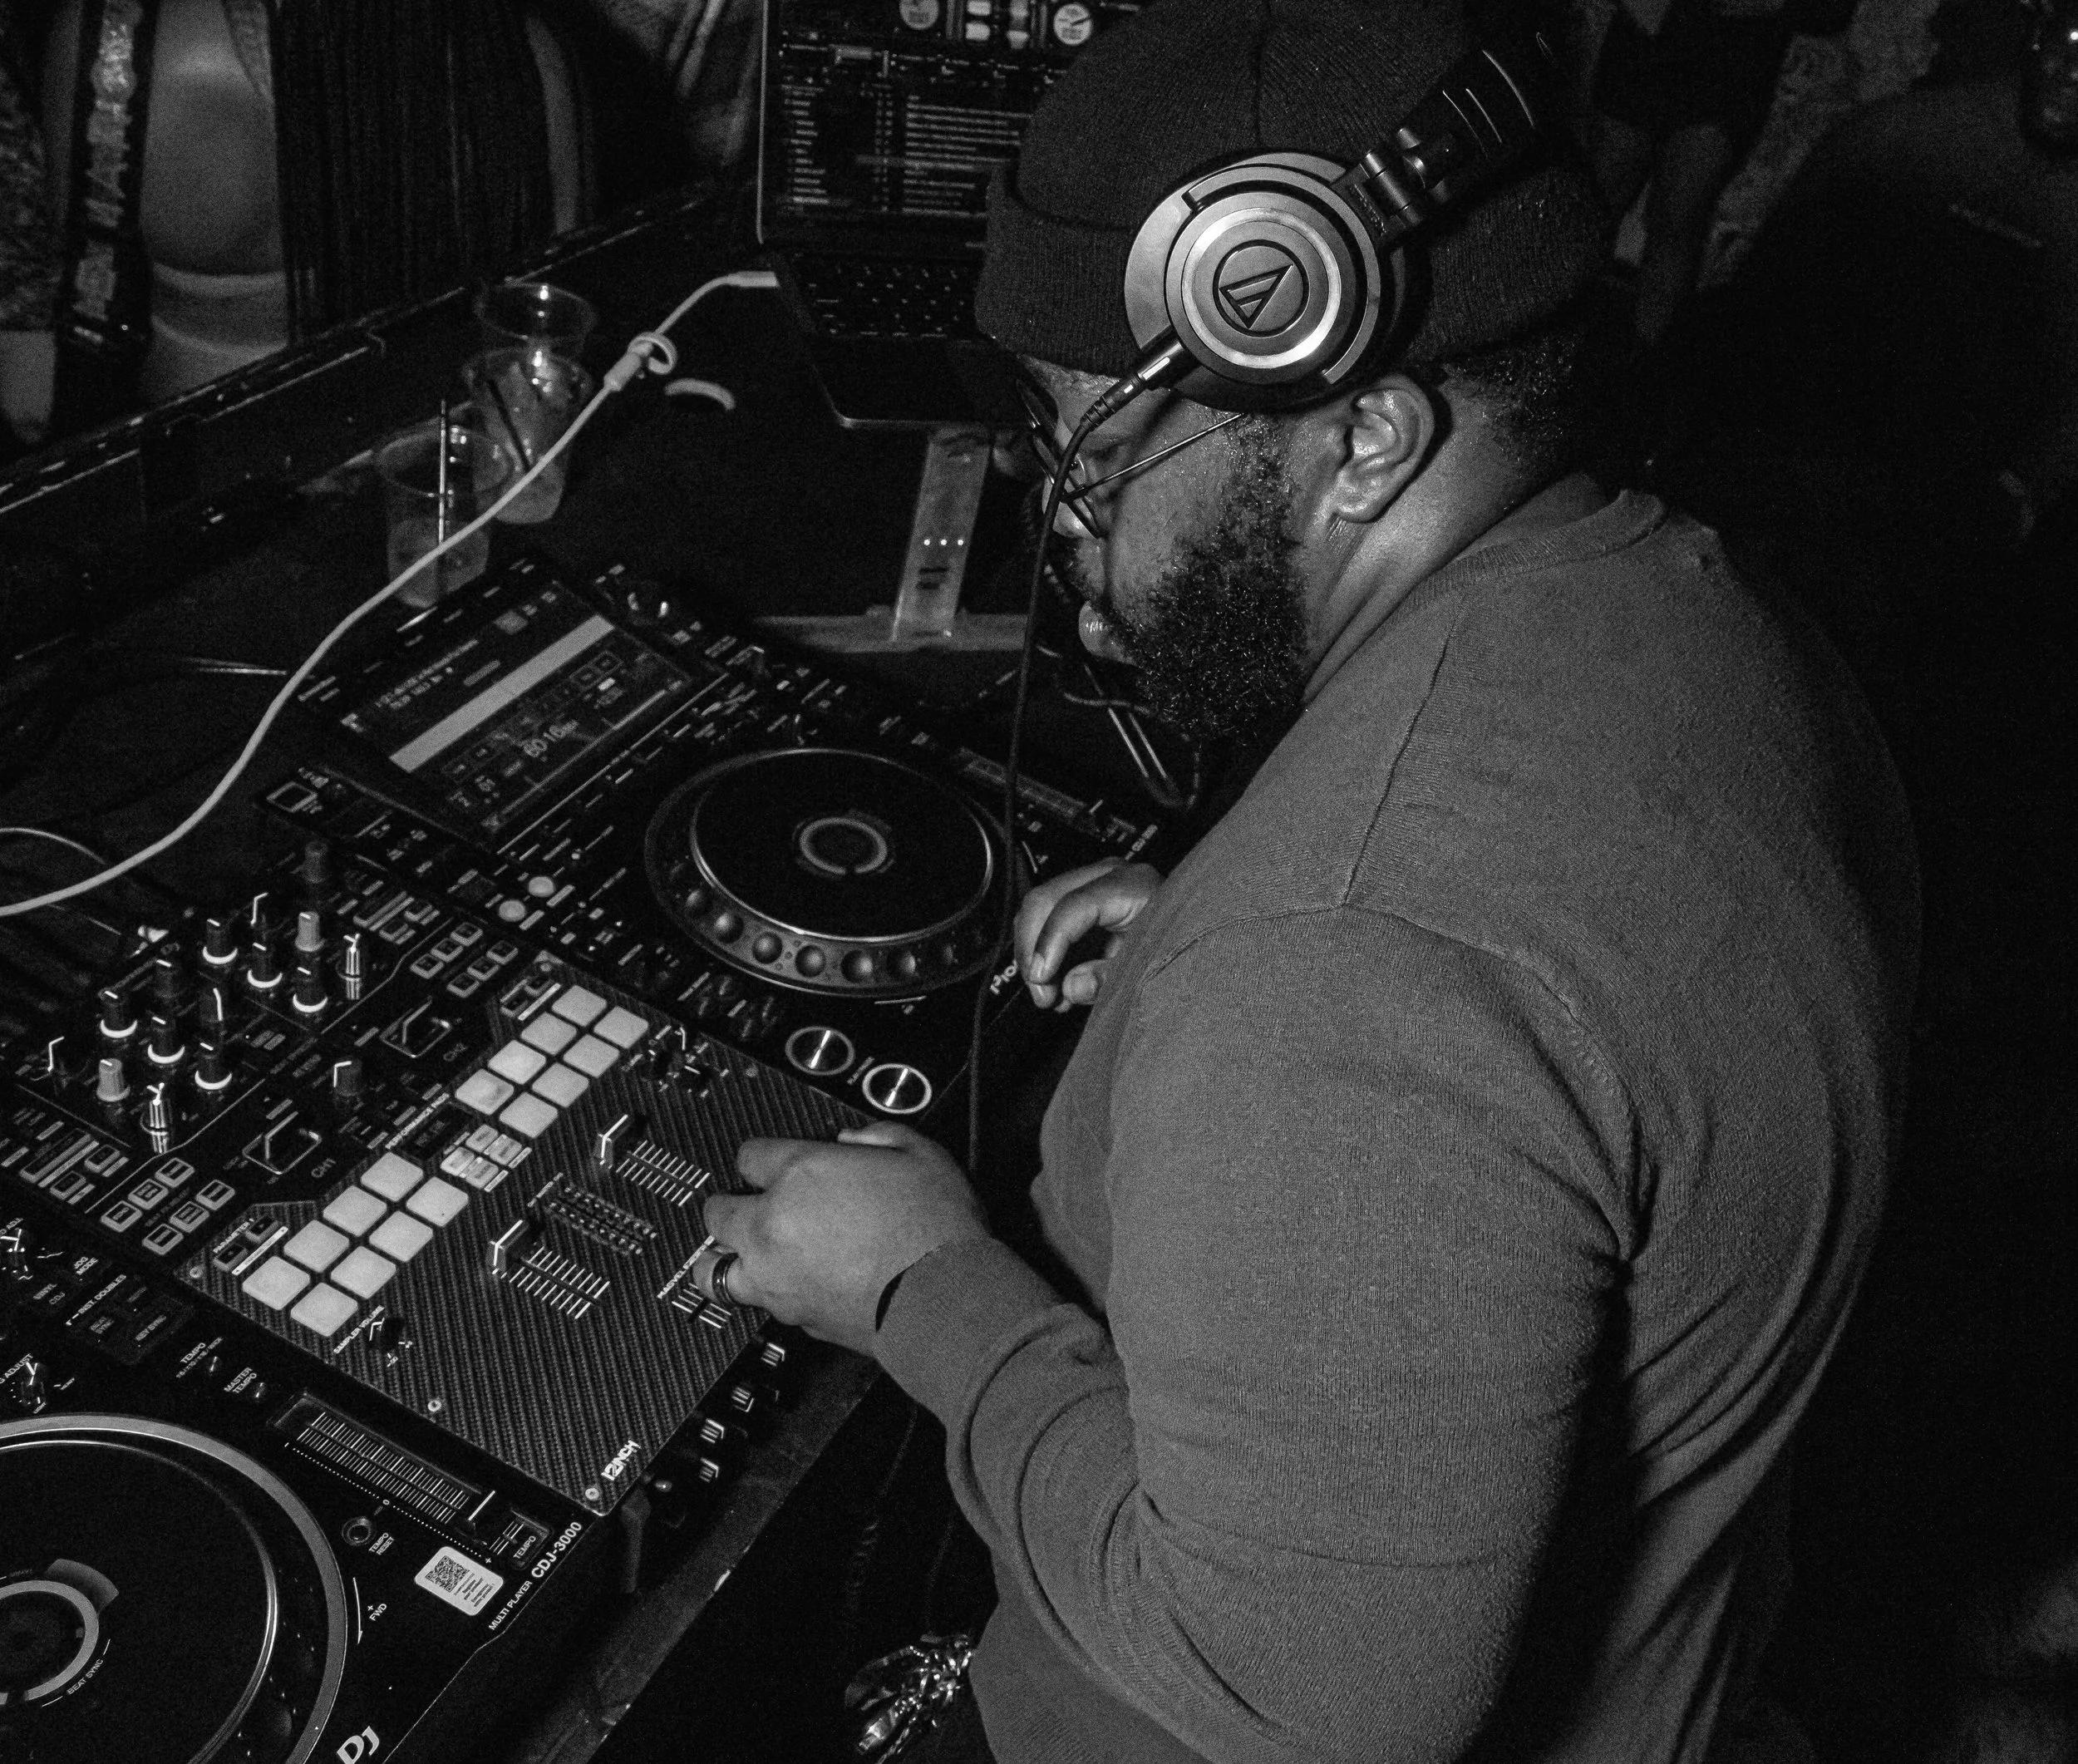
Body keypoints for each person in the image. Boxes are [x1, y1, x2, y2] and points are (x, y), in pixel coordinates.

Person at [698, 0, 1922, 1757]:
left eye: (1096, 453)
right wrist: (1214, 932)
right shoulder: (1690, 605)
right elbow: (1555, 999)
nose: (1061, 525)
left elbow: (1304, 1701)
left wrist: (920, 1291)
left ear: (1364, 442)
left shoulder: (1347, 969)